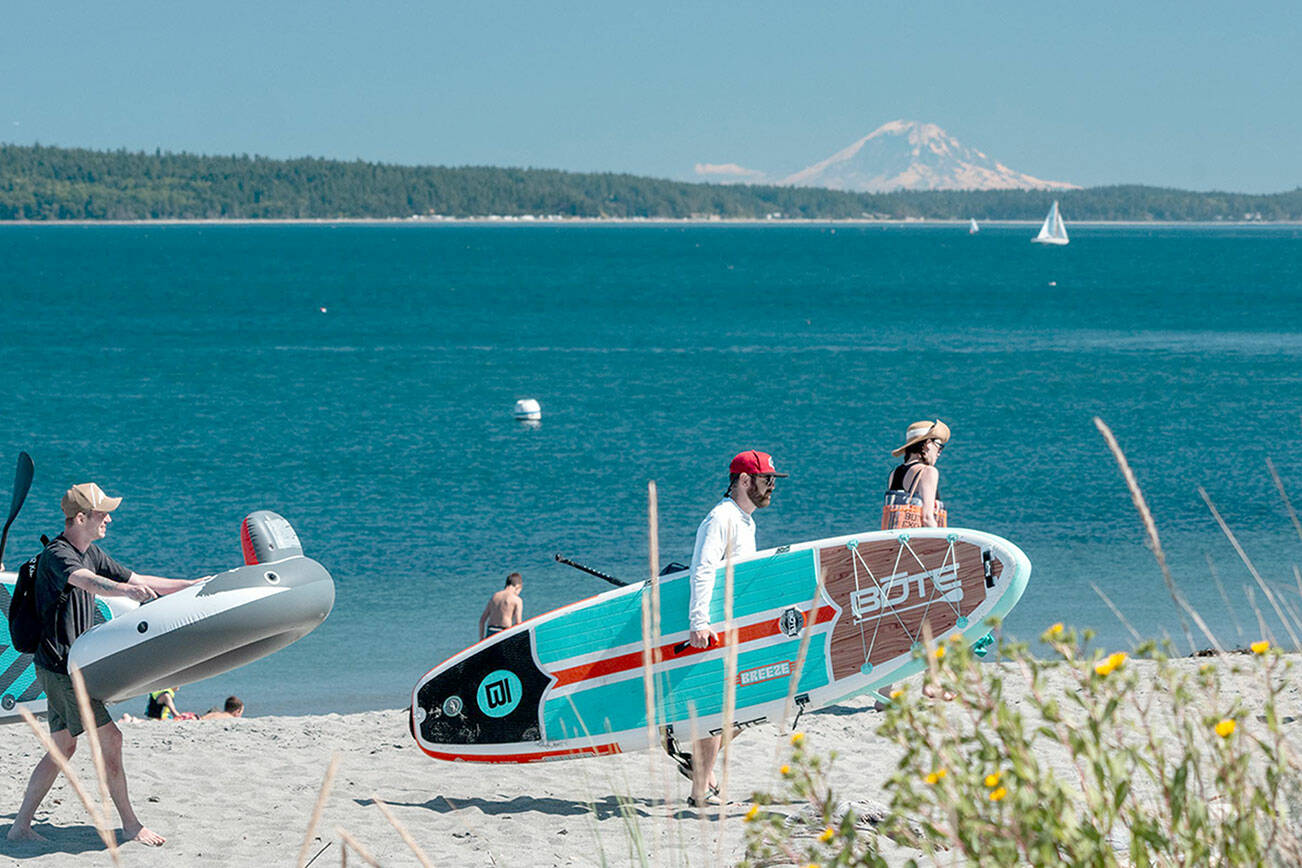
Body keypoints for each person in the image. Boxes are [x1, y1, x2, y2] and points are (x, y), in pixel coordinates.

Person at [7, 482, 199, 846]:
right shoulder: (58, 556)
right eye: (102, 513)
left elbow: (138, 579)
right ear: (81, 517)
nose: (108, 518)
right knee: (112, 739)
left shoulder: (91, 551)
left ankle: (20, 827)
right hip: (62, 670)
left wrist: (190, 586)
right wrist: (125, 592)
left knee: (63, 747)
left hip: (63, 668)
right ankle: (130, 825)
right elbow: (86, 581)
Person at [685, 449, 787, 808]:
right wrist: (699, 622)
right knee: (720, 710)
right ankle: (700, 790)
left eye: (773, 479)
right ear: (745, 480)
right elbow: (703, 568)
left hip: (738, 631)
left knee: (749, 708)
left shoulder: (746, 520)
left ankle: (700, 768)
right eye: (767, 479)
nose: (772, 486)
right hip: (714, 632)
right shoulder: (721, 518)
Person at [881, 420, 950, 530]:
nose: (939, 452)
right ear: (927, 443)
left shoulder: (894, 474)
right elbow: (927, 518)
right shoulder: (928, 472)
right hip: (920, 544)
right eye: (938, 446)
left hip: (897, 543)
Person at [478, 572, 524, 639]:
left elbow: (482, 620)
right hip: (504, 632)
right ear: (518, 586)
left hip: (490, 631)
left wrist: (481, 639)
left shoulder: (495, 596)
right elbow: (518, 623)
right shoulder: (516, 600)